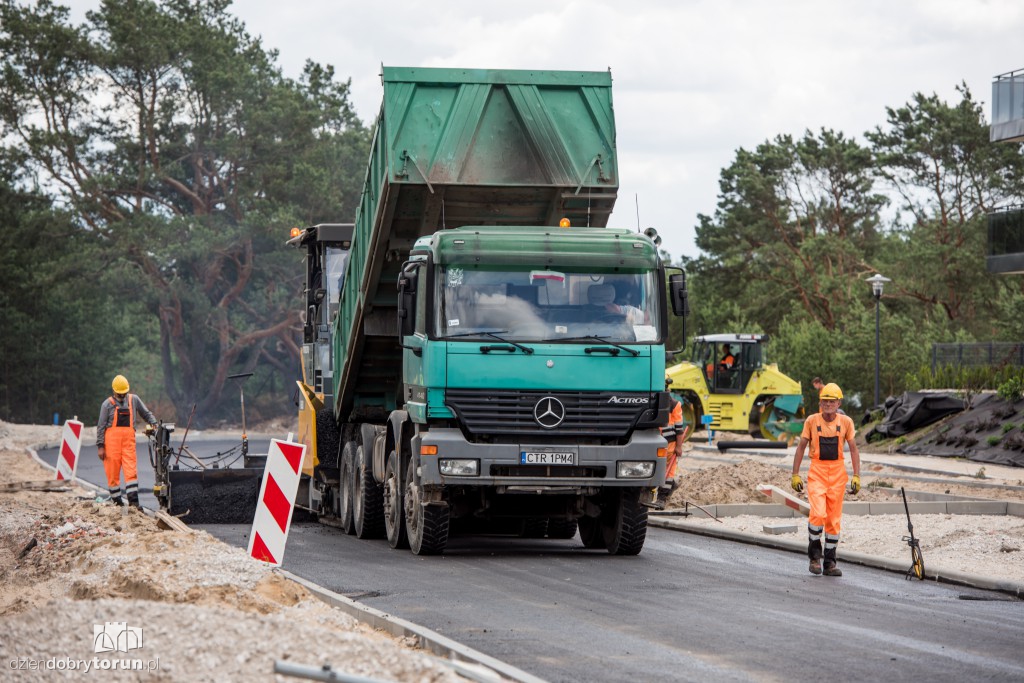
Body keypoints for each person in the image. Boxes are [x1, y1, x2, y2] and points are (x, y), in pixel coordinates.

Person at [791, 382, 861, 577]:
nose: (828, 404)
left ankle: (829, 563)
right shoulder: (812, 421)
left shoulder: (846, 422)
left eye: (832, 401)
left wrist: (856, 476)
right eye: (825, 401)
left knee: (833, 520)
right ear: (820, 403)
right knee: (818, 514)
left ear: (839, 403)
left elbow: (854, 450)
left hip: (838, 474)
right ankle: (814, 557)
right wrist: (795, 474)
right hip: (818, 472)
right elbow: (801, 447)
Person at [97, 374, 158, 508]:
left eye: (124, 394)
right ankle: (117, 502)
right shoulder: (107, 405)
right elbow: (101, 427)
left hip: (128, 445)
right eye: (120, 394)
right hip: (111, 446)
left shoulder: (133, 400)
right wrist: (100, 446)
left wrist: (154, 424)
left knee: (131, 472)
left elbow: (146, 414)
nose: (122, 397)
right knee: (112, 475)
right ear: (114, 392)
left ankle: (134, 504)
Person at [659, 375, 686, 503]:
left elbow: (679, 429)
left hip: (669, 443)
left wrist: (679, 447)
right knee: (660, 470)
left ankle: (662, 497)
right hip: (658, 441)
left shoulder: (674, 405)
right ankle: (671, 486)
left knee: (668, 472)